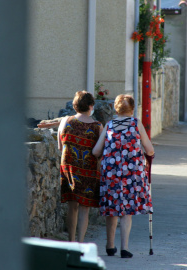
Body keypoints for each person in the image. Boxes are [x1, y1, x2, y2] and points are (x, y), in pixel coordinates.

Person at [92, 94, 155, 258]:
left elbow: (96, 151)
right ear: (132, 108)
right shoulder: (136, 124)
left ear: (116, 108)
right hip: (131, 174)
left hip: (111, 173)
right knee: (126, 210)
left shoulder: (110, 125)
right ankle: (124, 248)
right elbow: (150, 150)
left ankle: (109, 245)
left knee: (112, 208)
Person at [58, 91, 103, 242]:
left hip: (69, 168)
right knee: (84, 208)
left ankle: (70, 241)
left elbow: (60, 146)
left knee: (72, 206)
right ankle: (80, 242)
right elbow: (99, 152)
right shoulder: (97, 126)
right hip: (89, 170)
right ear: (91, 106)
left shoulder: (66, 121)